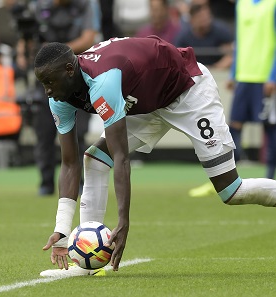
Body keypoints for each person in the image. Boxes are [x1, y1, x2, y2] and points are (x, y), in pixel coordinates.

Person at [34, 36, 276, 278]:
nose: (47, 90)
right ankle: (85, 264)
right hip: (148, 103)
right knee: (95, 159)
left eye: (49, 82)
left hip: (188, 91)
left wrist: (123, 221)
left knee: (232, 191)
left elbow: (121, 158)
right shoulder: (59, 98)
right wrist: (62, 232)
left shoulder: (103, 80)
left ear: (69, 70)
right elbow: (69, 163)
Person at [189, 0, 276, 197]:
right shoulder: (242, 5)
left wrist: (273, 76)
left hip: (264, 77)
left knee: (269, 128)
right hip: (244, 77)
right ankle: (224, 179)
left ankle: (271, 178)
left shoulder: (272, 4)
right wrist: (234, 72)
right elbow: (240, 41)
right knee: (233, 126)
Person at [31, 0, 100, 195]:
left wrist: (54, 53)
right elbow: (28, 40)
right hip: (46, 79)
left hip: (76, 77)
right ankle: (45, 183)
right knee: (44, 134)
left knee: (77, 134)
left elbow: (89, 38)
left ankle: (78, 183)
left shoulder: (86, 5)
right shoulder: (39, 6)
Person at [174, 0, 234, 69]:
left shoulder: (221, 31)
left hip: (218, 74)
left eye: (206, 15)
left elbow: (231, 55)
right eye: (199, 16)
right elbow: (177, 59)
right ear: (192, 20)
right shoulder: (183, 37)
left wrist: (214, 69)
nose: (204, 19)